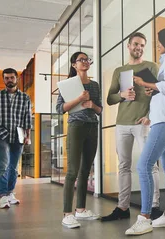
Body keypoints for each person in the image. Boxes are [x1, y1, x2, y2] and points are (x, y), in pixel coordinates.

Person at [125, 27, 165, 235]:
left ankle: (144, 218)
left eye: (159, 40)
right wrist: (153, 91)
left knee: (144, 166)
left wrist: (144, 82)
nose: (157, 44)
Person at [102, 32, 163, 222]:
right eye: (136, 44)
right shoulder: (120, 71)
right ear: (128, 46)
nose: (139, 47)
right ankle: (122, 208)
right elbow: (109, 99)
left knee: (150, 165)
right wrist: (122, 95)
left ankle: (154, 207)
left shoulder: (151, 66)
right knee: (123, 166)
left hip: (142, 123)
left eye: (142, 45)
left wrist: (150, 116)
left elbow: (162, 93)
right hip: (122, 124)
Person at [56, 52, 102, 229]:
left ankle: (81, 210)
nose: (85, 62)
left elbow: (100, 110)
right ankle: (67, 214)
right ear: (74, 65)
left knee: (85, 171)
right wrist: (80, 99)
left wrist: (92, 105)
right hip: (76, 127)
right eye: (81, 60)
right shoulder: (67, 85)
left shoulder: (95, 85)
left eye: (86, 59)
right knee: (72, 171)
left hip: (92, 127)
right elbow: (60, 108)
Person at [0, 68, 32, 209]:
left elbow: (27, 118)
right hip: (2, 135)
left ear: (16, 78)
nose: (9, 80)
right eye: (6, 78)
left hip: (19, 135)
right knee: (3, 165)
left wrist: (28, 135)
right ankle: (3, 195)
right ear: (3, 79)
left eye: (12, 77)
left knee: (14, 167)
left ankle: (10, 193)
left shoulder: (25, 97)